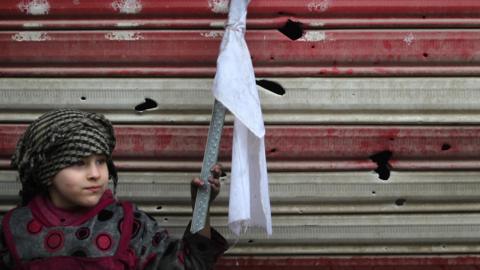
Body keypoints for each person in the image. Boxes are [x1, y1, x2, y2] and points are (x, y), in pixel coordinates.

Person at [0, 109, 228, 269]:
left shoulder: (130, 226)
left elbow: (188, 266)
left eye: (101, 161)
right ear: (47, 171)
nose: (96, 174)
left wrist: (202, 208)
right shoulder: (13, 230)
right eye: (79, 163)